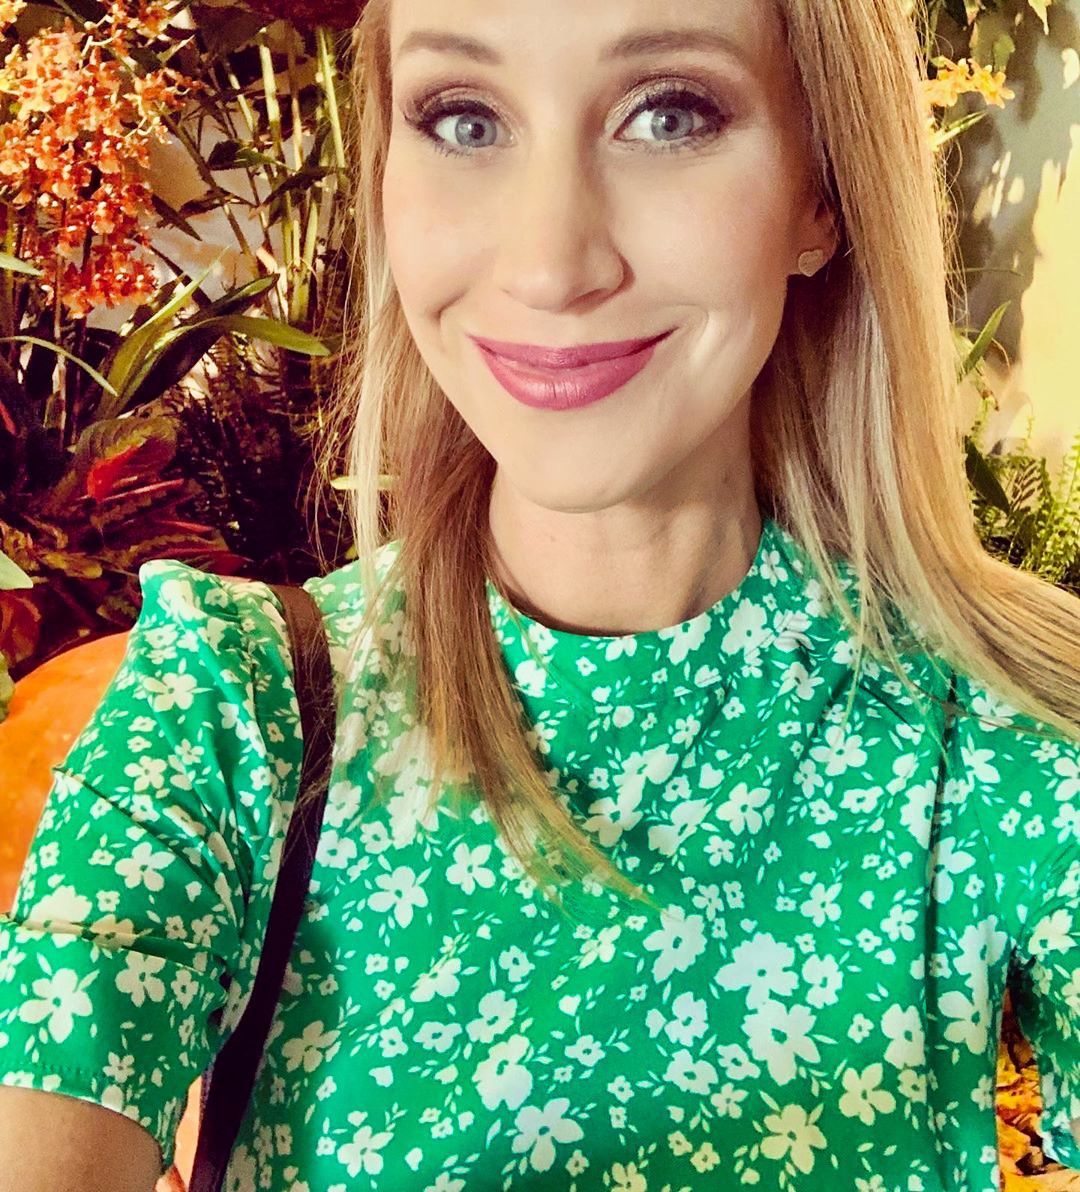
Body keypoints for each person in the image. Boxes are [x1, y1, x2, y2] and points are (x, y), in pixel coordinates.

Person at [1, 0, 1079, 1189]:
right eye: (464, 118)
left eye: (669, 114)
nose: (550, 267)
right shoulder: (232, 705)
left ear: (821, 192)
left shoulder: (1001, 735)